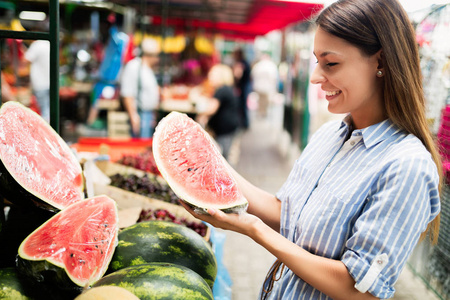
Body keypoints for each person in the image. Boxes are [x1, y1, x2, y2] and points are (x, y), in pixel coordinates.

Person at [182, 0, 443, 299]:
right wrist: (210, 163)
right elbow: (290, 213)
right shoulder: (329, 135)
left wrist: (253, 229)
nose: (317, 77)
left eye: (330, 63)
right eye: (317, 62)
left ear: (380, 62)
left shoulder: (407, 165)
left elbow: (361, 291)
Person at [196, 64, 240, 161]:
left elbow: (212, 109)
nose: (209, 77)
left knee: (223, 158)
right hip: (228, 129)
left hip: (225, 130)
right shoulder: (226, 89)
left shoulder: (222, 90)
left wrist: (200, 114)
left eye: (212, 75)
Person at [120, 38, 160, 138]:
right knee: (139, 147)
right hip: (140, 113)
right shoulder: (134, 67)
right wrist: (133, 116)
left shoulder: (147, 69)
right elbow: (127, 93)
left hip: (148, 115)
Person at [25, 39, 50, 122]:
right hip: (50, 83)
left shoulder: (36, 45)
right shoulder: (49, 44)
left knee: (44, 112)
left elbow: (25, 60)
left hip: (40, 84)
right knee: (48, 109)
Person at [251, 52, 278, 118]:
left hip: (259, 87)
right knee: (264, 101)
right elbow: (274, 78)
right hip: (267, 87)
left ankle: (262, 112)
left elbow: (252, 75)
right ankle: (263, 113)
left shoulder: (258, 65)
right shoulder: (271, 66)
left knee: (261, 101)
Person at [232, 47, 252, 129]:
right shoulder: (244, 62)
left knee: (242, 105)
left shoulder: (241, 63)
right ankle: (244, 123)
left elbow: (238, 75)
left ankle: (244, 123)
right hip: (245, 85)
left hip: (243, 86)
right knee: (243, 105)